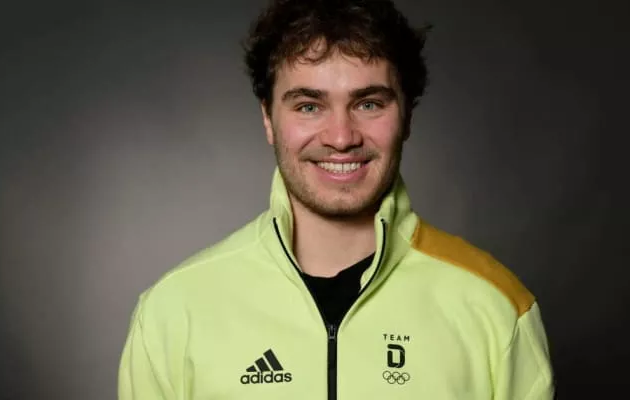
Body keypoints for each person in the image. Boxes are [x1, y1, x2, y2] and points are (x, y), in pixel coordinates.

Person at [118, 0, 555, 398]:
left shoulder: (496, 306)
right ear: (268, 118)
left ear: (406, 116)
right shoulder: (173, 311)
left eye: (369, 104)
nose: (342, 138)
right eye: (309, 106)